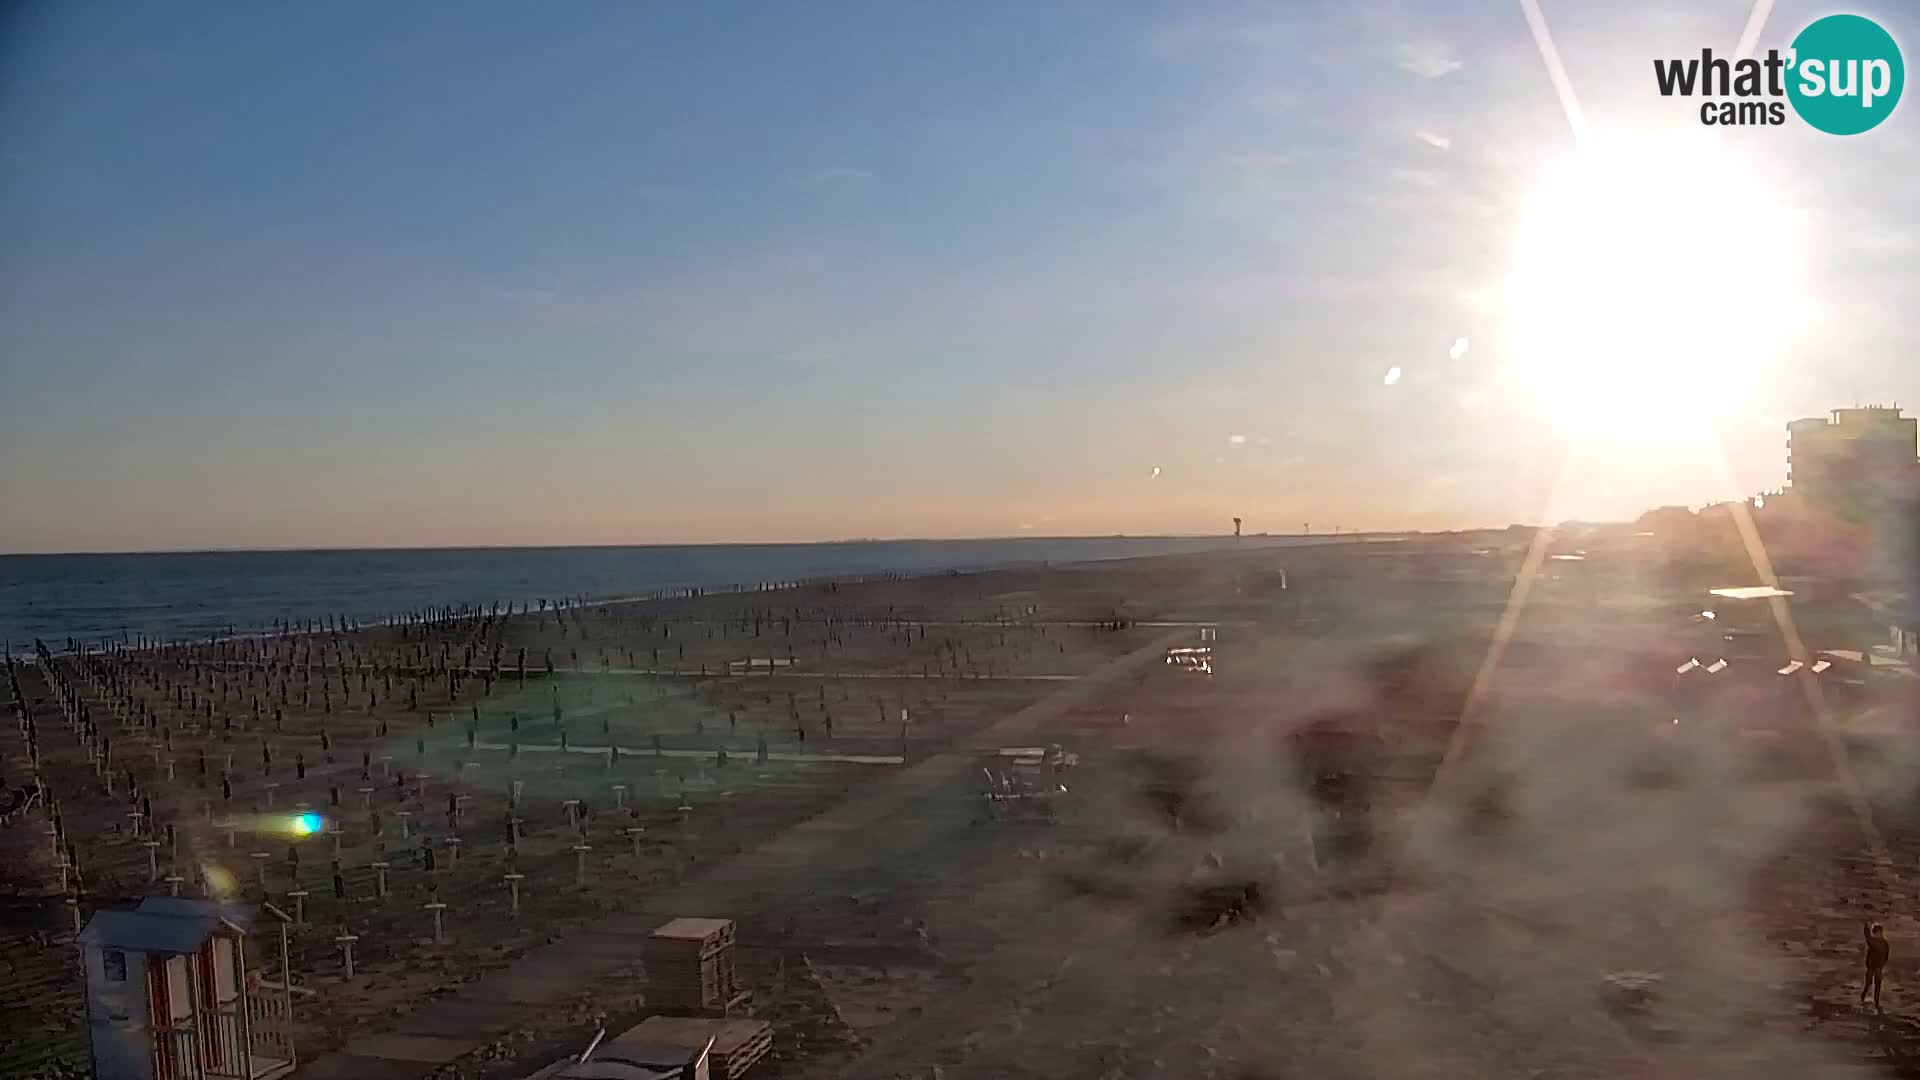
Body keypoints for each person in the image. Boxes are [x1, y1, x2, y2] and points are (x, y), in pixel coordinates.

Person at [1864, 921, 1890, 1012]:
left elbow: (1886, 955)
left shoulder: (1882, 942)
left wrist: (1867, 928)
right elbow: (1867, 937)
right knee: (1870, 983)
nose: (1879, 934)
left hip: (1876, 966)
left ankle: (1876, 1002)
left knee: (1876, 984)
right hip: (1873, 966)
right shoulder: (1877, 942)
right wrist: (1866, 928)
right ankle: (1865, 996)